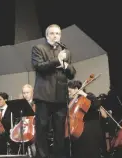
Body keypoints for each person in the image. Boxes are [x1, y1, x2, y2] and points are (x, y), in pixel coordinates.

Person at [31, 24, 76, 158]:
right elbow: (39, 66)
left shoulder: (66, 51)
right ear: (47, 35)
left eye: (57, 33)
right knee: (42, 129)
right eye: (52, 33)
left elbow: (72, 73)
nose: (55, 35)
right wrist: (58, 60)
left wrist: (66, 65)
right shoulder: (38, 48)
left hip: (61, 97)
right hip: (44, 96)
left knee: (59, 130)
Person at [66, 80, 103, 158]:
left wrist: (83, 94)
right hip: (78, 129)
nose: (68, 93)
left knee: (90, 152)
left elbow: (96, 104)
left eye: (69, 91)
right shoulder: (71, 101)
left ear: (76, 89)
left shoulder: (88, 96)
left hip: (90, 128)